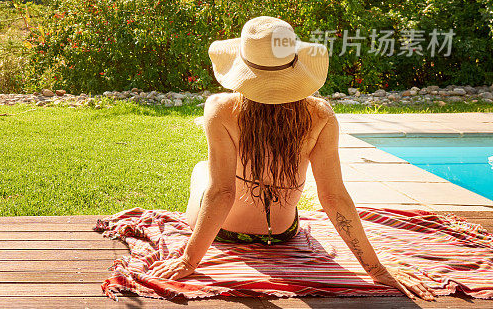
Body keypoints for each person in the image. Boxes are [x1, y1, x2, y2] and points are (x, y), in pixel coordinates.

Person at [147, 16, 436, 301]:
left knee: (202, 171)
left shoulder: (220, 109)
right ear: (295, 64)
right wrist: (375, 269)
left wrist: (189, 260)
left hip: (226, 232)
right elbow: (334, 197)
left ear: (243, 65)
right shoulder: (320, 115)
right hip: (284, 233)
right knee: (209, 174)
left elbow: (222, 192)